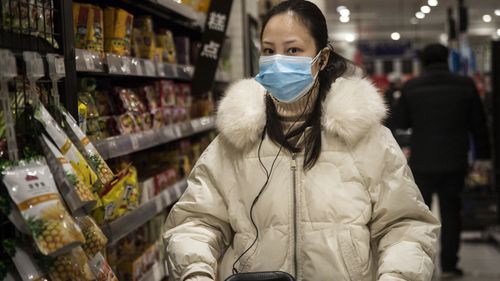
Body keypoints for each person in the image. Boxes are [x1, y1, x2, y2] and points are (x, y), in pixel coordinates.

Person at [163, 1, 440, 280]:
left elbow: (404, 225)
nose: (278, 61)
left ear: (321, 58)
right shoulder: (237, 137)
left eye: (293, 50)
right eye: (269, 51)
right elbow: (196, 221)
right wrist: (195, 272)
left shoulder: (366, 137)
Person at [393, 43, 491, 278]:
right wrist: (483, 157)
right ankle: (449, 265)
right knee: (451, 214)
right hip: (454, 161)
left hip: (422, 161)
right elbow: (479, 125)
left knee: (418, 217)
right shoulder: (465, 86)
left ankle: (422, 266)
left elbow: (399, 121)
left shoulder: (411, 87)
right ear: (447, 59)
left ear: (423, 62)